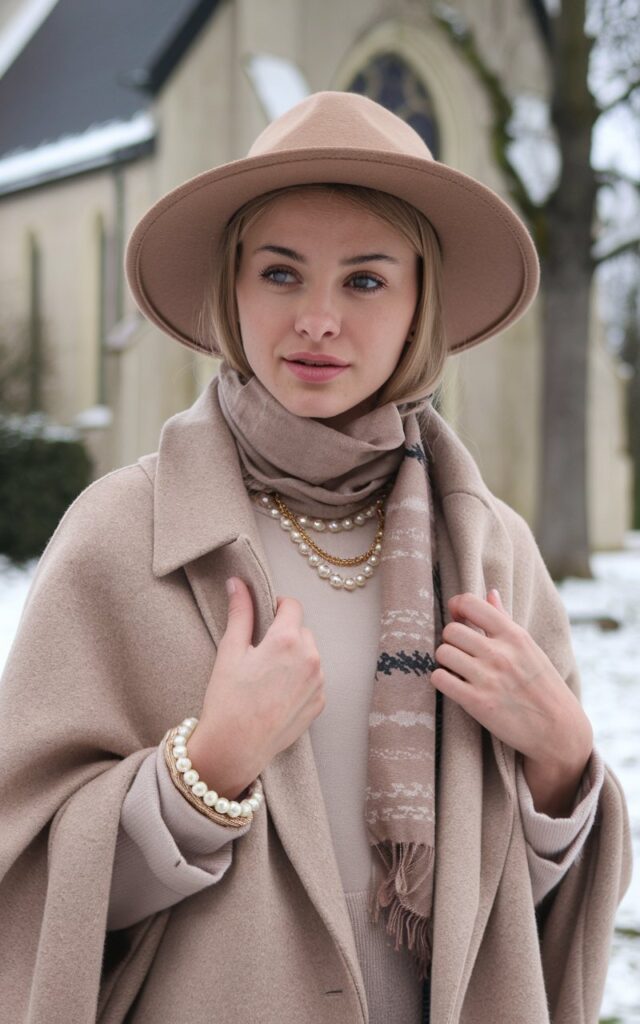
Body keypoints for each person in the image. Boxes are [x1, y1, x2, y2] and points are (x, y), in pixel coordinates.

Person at [0, 91, 631, 1024]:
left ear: (423, 301)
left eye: (366, 281)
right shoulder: (121, 536)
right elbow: (29, 898)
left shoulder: (492, 552)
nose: (319, 319)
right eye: (281, 274)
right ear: (233, 288)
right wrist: (202, 773)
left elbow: (517, 917)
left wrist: (563, 764)